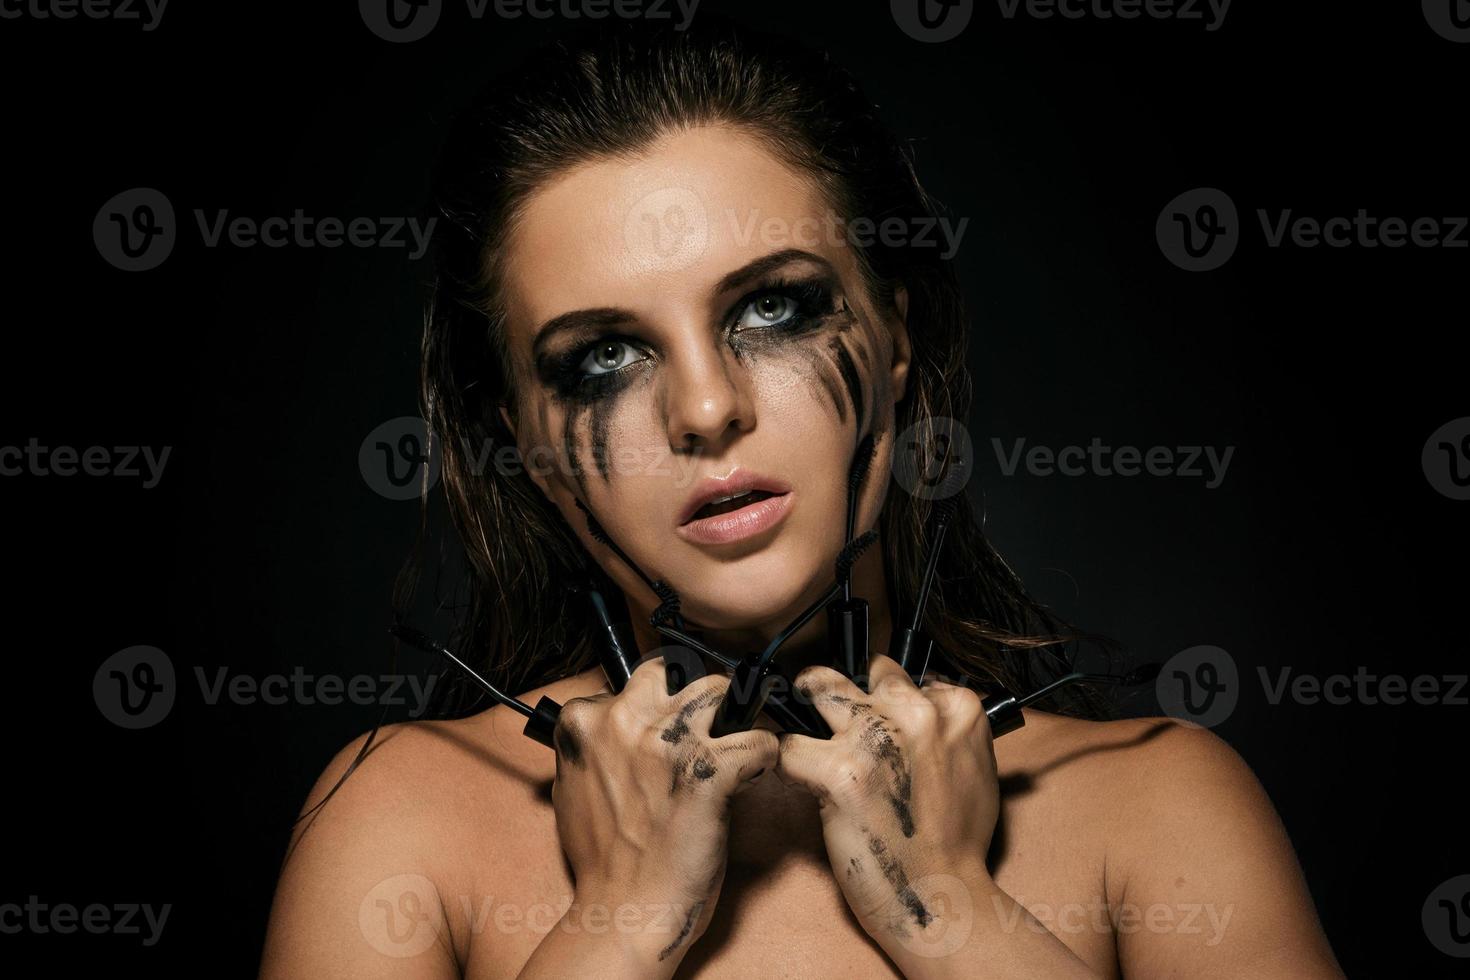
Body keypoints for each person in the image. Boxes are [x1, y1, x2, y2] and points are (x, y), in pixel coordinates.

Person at [259, 19, 1343, 978]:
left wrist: (959, 918)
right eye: (601, 358)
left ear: (899, 338)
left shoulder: (1155, 808)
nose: (705, 404)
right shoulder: (399, 824)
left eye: (774, 308)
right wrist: (619, 924)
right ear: (523, 440)